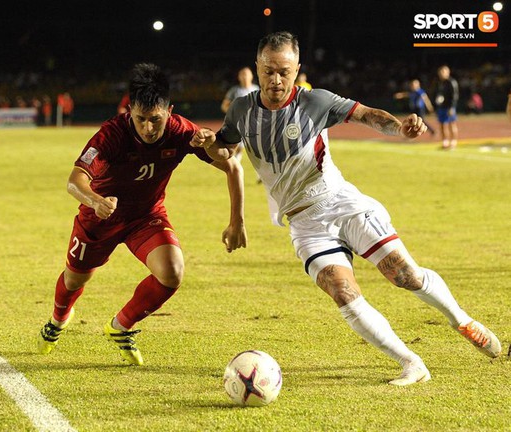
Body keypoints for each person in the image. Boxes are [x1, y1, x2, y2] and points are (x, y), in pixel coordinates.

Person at [192, 31, 501, 386]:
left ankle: (462, 321)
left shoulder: (316, 102)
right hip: (303, 222)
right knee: (342, 290)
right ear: (257, 67)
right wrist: (208, 143)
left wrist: (399, 127)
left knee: (405, 276)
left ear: (297, 70)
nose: (276, 80)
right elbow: (225, 151)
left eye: (284, 71)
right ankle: (411, 362)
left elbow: (367, 115)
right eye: (268, 71)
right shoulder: (242, 111)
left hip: (341, 202)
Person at [37, 63, 247, 365]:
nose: (149, 128)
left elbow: (231, 165)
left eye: (156, 120)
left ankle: (120, 327)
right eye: (141, 119)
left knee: (172, 271)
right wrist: (94, 200)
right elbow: (75, 181)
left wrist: (236, 220)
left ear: (170, 111)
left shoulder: (180, 130)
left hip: (146, 217)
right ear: (129, 111)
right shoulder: (112, 134)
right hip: (100, 218)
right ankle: (57, 321)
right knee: (74, 280)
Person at [433, 65, 459, 149]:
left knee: (452, 124)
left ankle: (453, 141)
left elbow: (455, 96)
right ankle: (445, 142)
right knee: (442, 124)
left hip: (449, 107)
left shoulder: (451, 82)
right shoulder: (440, 83)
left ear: (448, 72)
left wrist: (452, 107)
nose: (441, 74)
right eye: (440, 72)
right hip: (442, 107)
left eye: (443, 72)